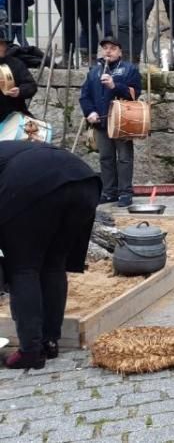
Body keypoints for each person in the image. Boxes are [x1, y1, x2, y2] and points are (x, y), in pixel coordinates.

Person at [0, 142, 101, 369]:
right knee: (54, 264)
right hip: (85, 181)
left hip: (32, 187)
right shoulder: (12, 149)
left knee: (23, 268)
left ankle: (30, 351)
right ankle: (49, 342)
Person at [79, 37, 142, 207]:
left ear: (120, 51)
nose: (108, 51)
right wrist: (90, 112)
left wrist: (115, 86)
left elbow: (135, 93)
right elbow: (85, 96)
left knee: (124, 158)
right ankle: (109, 192)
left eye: (112, 48)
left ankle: (125, 193)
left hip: (122, 121)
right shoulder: (94, 71)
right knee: (106, 158)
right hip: (101, 121)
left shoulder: (129, 69)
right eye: (105, 48)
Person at [0, 30, 38, 123]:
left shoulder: (15, 63)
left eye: (3, 44)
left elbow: (31, 86)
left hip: (14, 115)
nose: (3, 47)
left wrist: (20, 91)